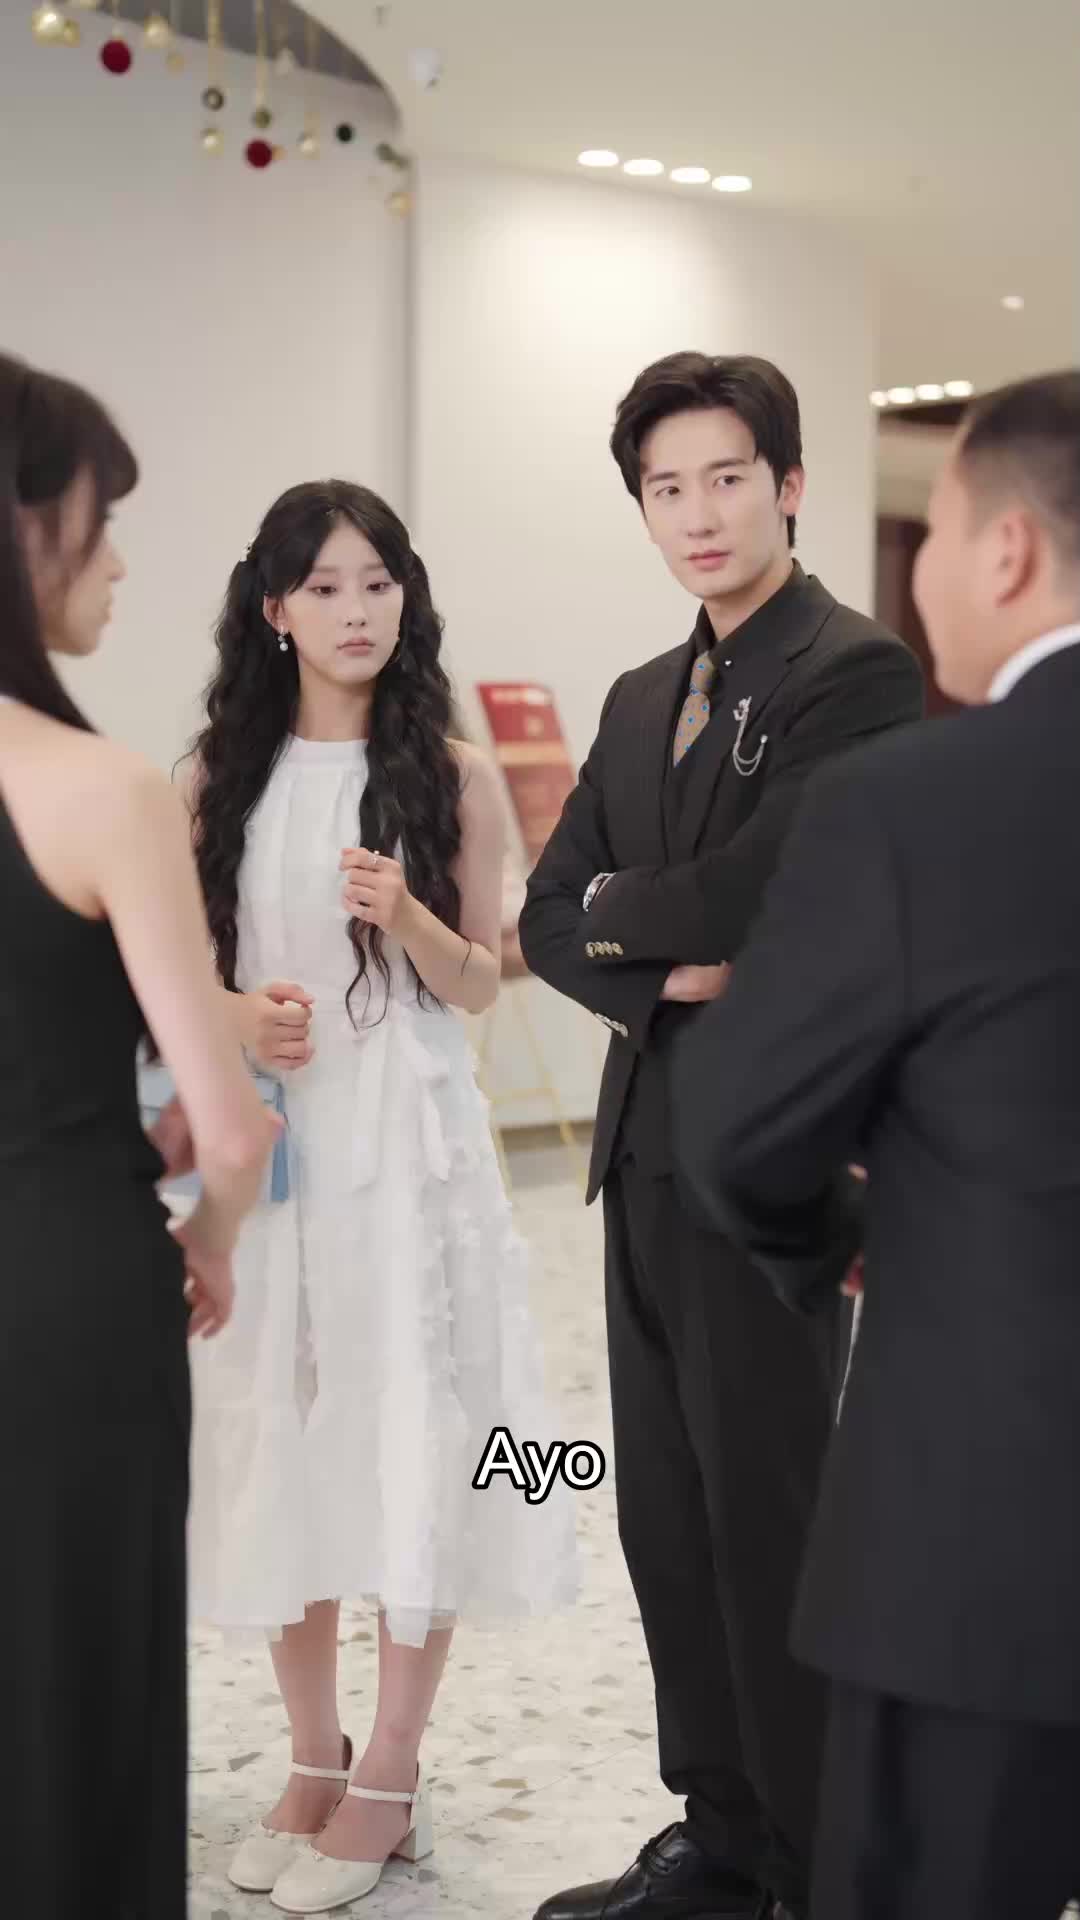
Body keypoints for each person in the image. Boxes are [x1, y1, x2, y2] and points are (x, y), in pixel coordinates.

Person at [670, 369, 1080, 1919]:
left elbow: (739, 1126)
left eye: (943, 526)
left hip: (995, 1526)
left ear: (1008, 551)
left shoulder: (916, 802)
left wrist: (842, 1237)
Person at [519, 353, 923, 1920]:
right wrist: (659, 954)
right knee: (668, 1519)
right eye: (665, 488)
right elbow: (544, 918)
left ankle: (826, 1862)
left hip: (770, 1169)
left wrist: (627, 920)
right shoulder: (641, 696)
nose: (697, 514)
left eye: (727, 479)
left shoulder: (853, 670)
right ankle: (727, 1833)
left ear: (790, 485)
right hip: (640, 1159)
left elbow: (755, 893)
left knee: (773, 1520)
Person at [177, 480, 579, 1916]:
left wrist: (405, 916)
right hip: (278, 1155)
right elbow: (178, 980)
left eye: (379, 582)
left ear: (407, 598)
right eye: (326, 586)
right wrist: (240, 1018)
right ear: (274, 608)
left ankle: (391, 1776)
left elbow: (480, 980)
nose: (357, 611)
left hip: (409, 1152)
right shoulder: (213, 777)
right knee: (280, 1440)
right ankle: (312, 1757)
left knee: (418, 1432)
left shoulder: (451, 773)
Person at [0, 353, 276, 1919]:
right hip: (64, 1297)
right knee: (76, 1692)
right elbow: (229, 1129)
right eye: (99, 524)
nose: (116, 563)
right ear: (25, 528)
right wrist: (211, 1240)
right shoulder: (102, 788)